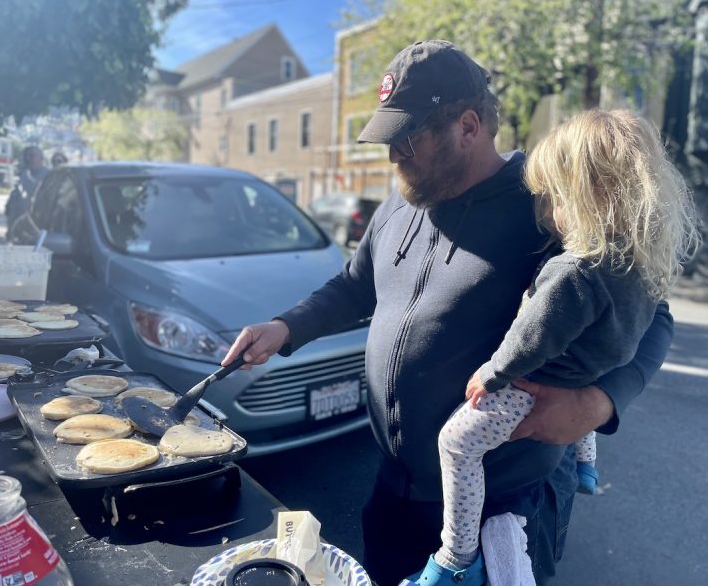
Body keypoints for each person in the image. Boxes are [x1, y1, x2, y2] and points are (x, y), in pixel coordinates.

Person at [222, 40, 674, 586]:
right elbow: (354, 286)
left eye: (407, 140)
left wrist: (601, 402)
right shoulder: (399, 204)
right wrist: (286, 327)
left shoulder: (546, 197)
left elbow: (650, 307)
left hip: (501, 507)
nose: (393, 157)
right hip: (393, 494)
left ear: (467, 126)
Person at [404, 109, 700, 586]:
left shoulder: (575, 270)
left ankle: (456, 556)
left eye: (556, 197)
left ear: (590, 195)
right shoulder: (636, 265)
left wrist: (491, 374)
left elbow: (530, 338)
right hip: (583, 371)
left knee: (456, 444)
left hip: (534, 385)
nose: (547, 211)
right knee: (583, 374)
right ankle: (587, 465)